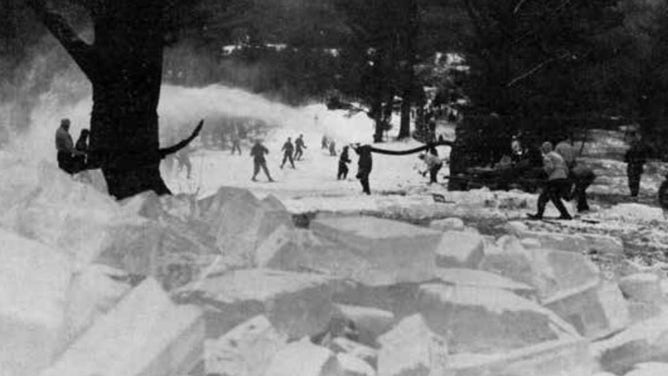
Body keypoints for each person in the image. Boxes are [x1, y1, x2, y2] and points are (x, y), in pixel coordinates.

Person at [528, 142, 572, 220]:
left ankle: (539, 214)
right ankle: (565, 214)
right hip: (563, 178)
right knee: (555, 197)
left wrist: (542, 172)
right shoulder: (558, 156)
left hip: (555, 178)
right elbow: (566, 168)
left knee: (543, 197)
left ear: (544, 149)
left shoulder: (548, 156)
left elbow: (550, 167)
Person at [625, 132, 649, 198]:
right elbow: (626, 158)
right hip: (635, 166)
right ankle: (634, 192)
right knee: (634, 179)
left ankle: (634, 192)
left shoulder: (640, 149)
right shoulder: (633, 149)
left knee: (634, 179)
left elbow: (644, 159)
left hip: (636, 166)